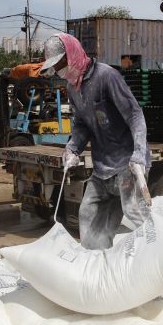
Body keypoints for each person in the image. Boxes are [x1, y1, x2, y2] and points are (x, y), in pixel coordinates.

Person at [39, 33, 151, 250]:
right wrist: (73, 148)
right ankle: (98, 266)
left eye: (62, 62)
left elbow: (134, 114)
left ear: (73, 54)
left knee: (134, 213)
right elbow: (82, 123)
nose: (60, 69)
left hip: (128, 163)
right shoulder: (73, 87)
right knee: (88, 212)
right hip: (102, 166)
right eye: (57, 65)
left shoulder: (107, 76)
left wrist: (139, 153)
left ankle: (155, 258)